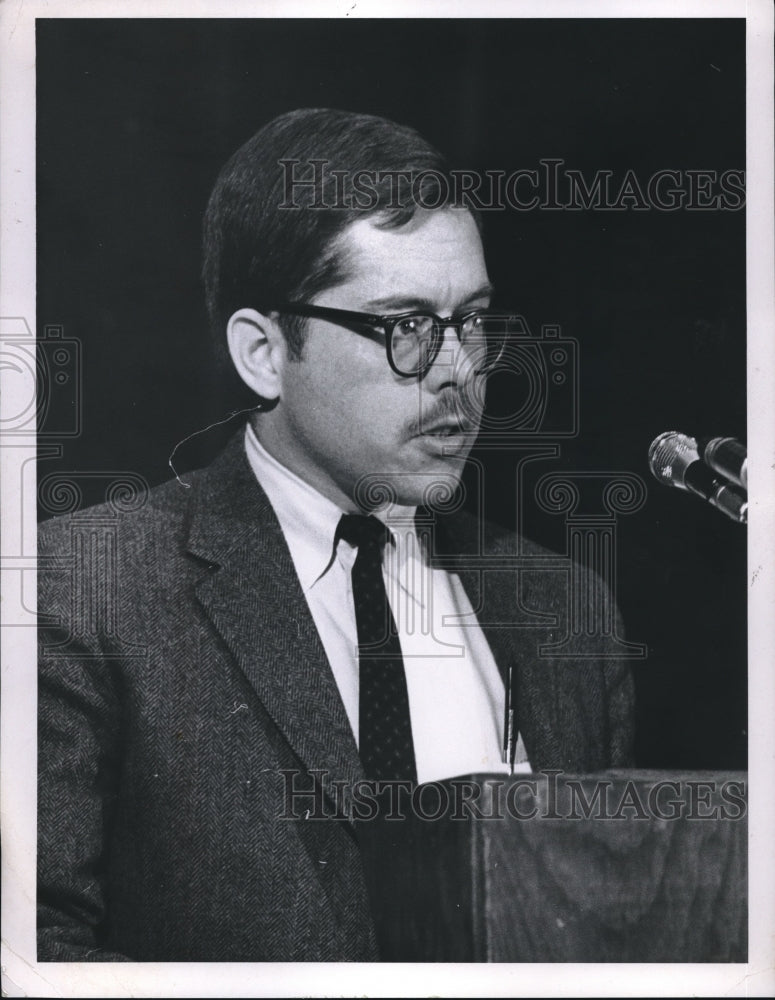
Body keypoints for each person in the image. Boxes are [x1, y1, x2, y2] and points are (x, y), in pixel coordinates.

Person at [37, 108, 635, 962]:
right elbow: (34, 958)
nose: (460, 369)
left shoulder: (567, 607)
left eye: (473, 321)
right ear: (263, 352)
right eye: (405, 328)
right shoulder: (83, 590)